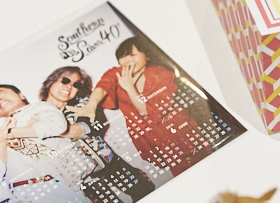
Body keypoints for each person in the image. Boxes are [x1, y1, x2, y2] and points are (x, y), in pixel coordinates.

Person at [72, 35, 209, 177]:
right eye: (123, 56)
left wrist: (129, 87)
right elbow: (103, 86)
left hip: (179, 134)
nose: (127, 60)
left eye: (132, 55)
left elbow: (150, 111)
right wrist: (91, 105)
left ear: (146, 55)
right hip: (152, 139)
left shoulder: (162, 74)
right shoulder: (117, 73)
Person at [38, 66, 154, 203]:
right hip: (83, 177)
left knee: (144, 190)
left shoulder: (86, 104)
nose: (69, 86)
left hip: (109, 162)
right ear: (52, 81)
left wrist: (44, 128)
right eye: (65, 80)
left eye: (76, 84)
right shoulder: (36, 113)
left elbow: (83, 129)